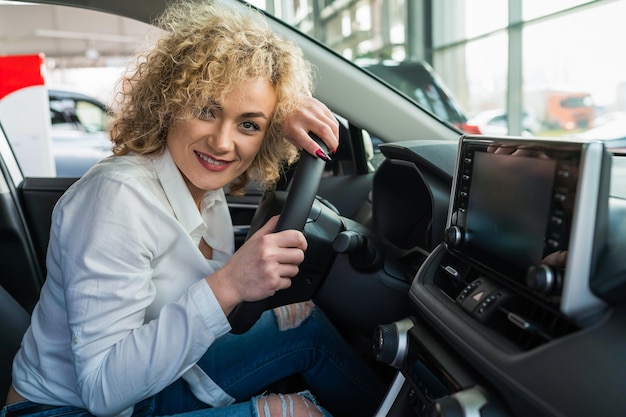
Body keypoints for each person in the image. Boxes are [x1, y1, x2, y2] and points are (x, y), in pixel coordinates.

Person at [3, 2, 386, 417]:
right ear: (169, 103)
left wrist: (279, 108)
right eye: (206, 110)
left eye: (249, 125)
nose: (222, 142)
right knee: (296, 413)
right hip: (61, 409)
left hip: (152, 380)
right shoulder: (118, 199)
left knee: (301, 319)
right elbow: (101, 391)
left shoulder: (201, 181)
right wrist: (230, 284)